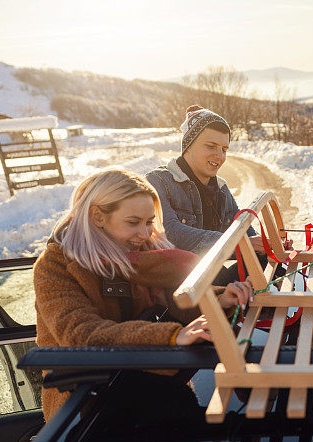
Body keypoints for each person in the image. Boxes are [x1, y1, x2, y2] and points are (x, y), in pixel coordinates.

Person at [34, 168, 253, 420]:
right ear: (97, 217)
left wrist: (220, 299)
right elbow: (82, 334)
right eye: (133, 222)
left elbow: (176, 296)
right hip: (88, 409)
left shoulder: (142, 251)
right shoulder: (55, 266)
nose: (146, 233)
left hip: (153, 388)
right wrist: (172, 336)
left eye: (149, 221)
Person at [145, 105, 265, 257]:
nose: (220, 156)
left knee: (266, 262)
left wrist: (265, 244)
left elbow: (244, 232)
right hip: (177, 277)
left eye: (224, 149)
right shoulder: (158, 182)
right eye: (211, 146)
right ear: (188, 146)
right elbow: (170, 232)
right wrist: (237, 242)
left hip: (211, 272)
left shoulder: (221, 189)